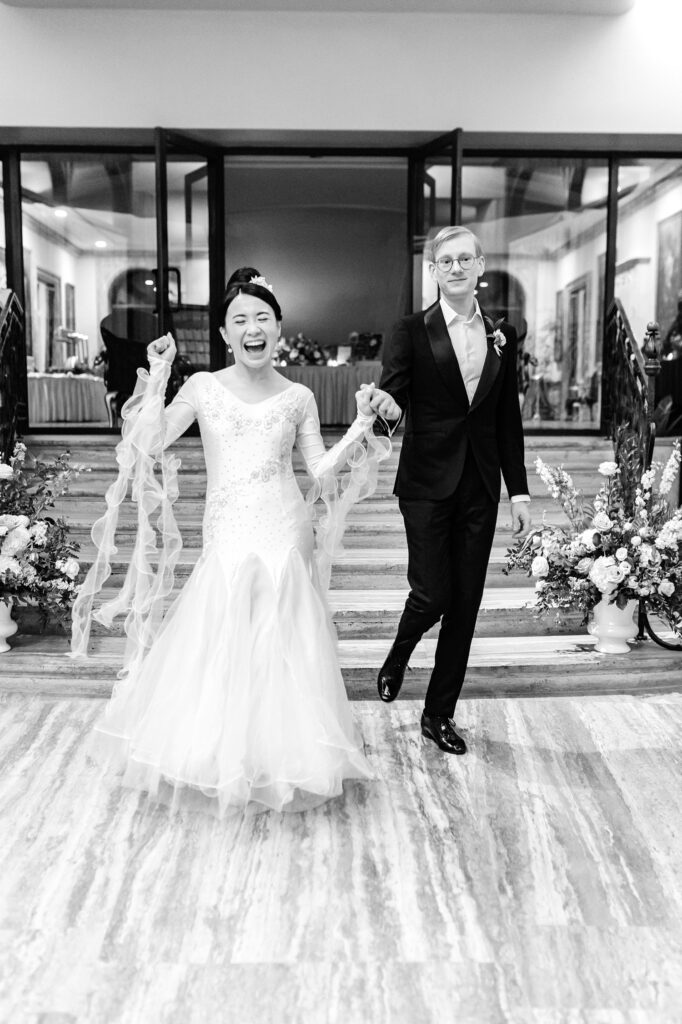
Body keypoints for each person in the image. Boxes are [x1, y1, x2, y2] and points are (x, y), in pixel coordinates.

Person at [71, 268, 389, 814]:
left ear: (279, 326)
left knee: (283, 641)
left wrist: (361, 425)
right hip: (227, 531)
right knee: (220, 639)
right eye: (240, 319)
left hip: (285, 530)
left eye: (262, 317)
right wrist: (158, 373)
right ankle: (222, 754)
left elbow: (320, 471)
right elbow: (149, 439)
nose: (252, 327)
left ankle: (281, 756)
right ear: (223, 333)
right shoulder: (202, 388)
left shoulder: (299, 397)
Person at [370, 226, 532, 755]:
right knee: (433, 592)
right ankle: (400, 649)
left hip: (481, 486)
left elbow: (507, 418)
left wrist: (520, 493)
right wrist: (385, 411)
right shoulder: (409, 331)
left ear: (481, 266)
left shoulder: (503, 336)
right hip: (425, 483)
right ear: (433, 271)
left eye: (466, 259)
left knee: (465, 605)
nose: (457, 268)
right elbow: (391, 400)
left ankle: (438, 714)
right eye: (446, 261)